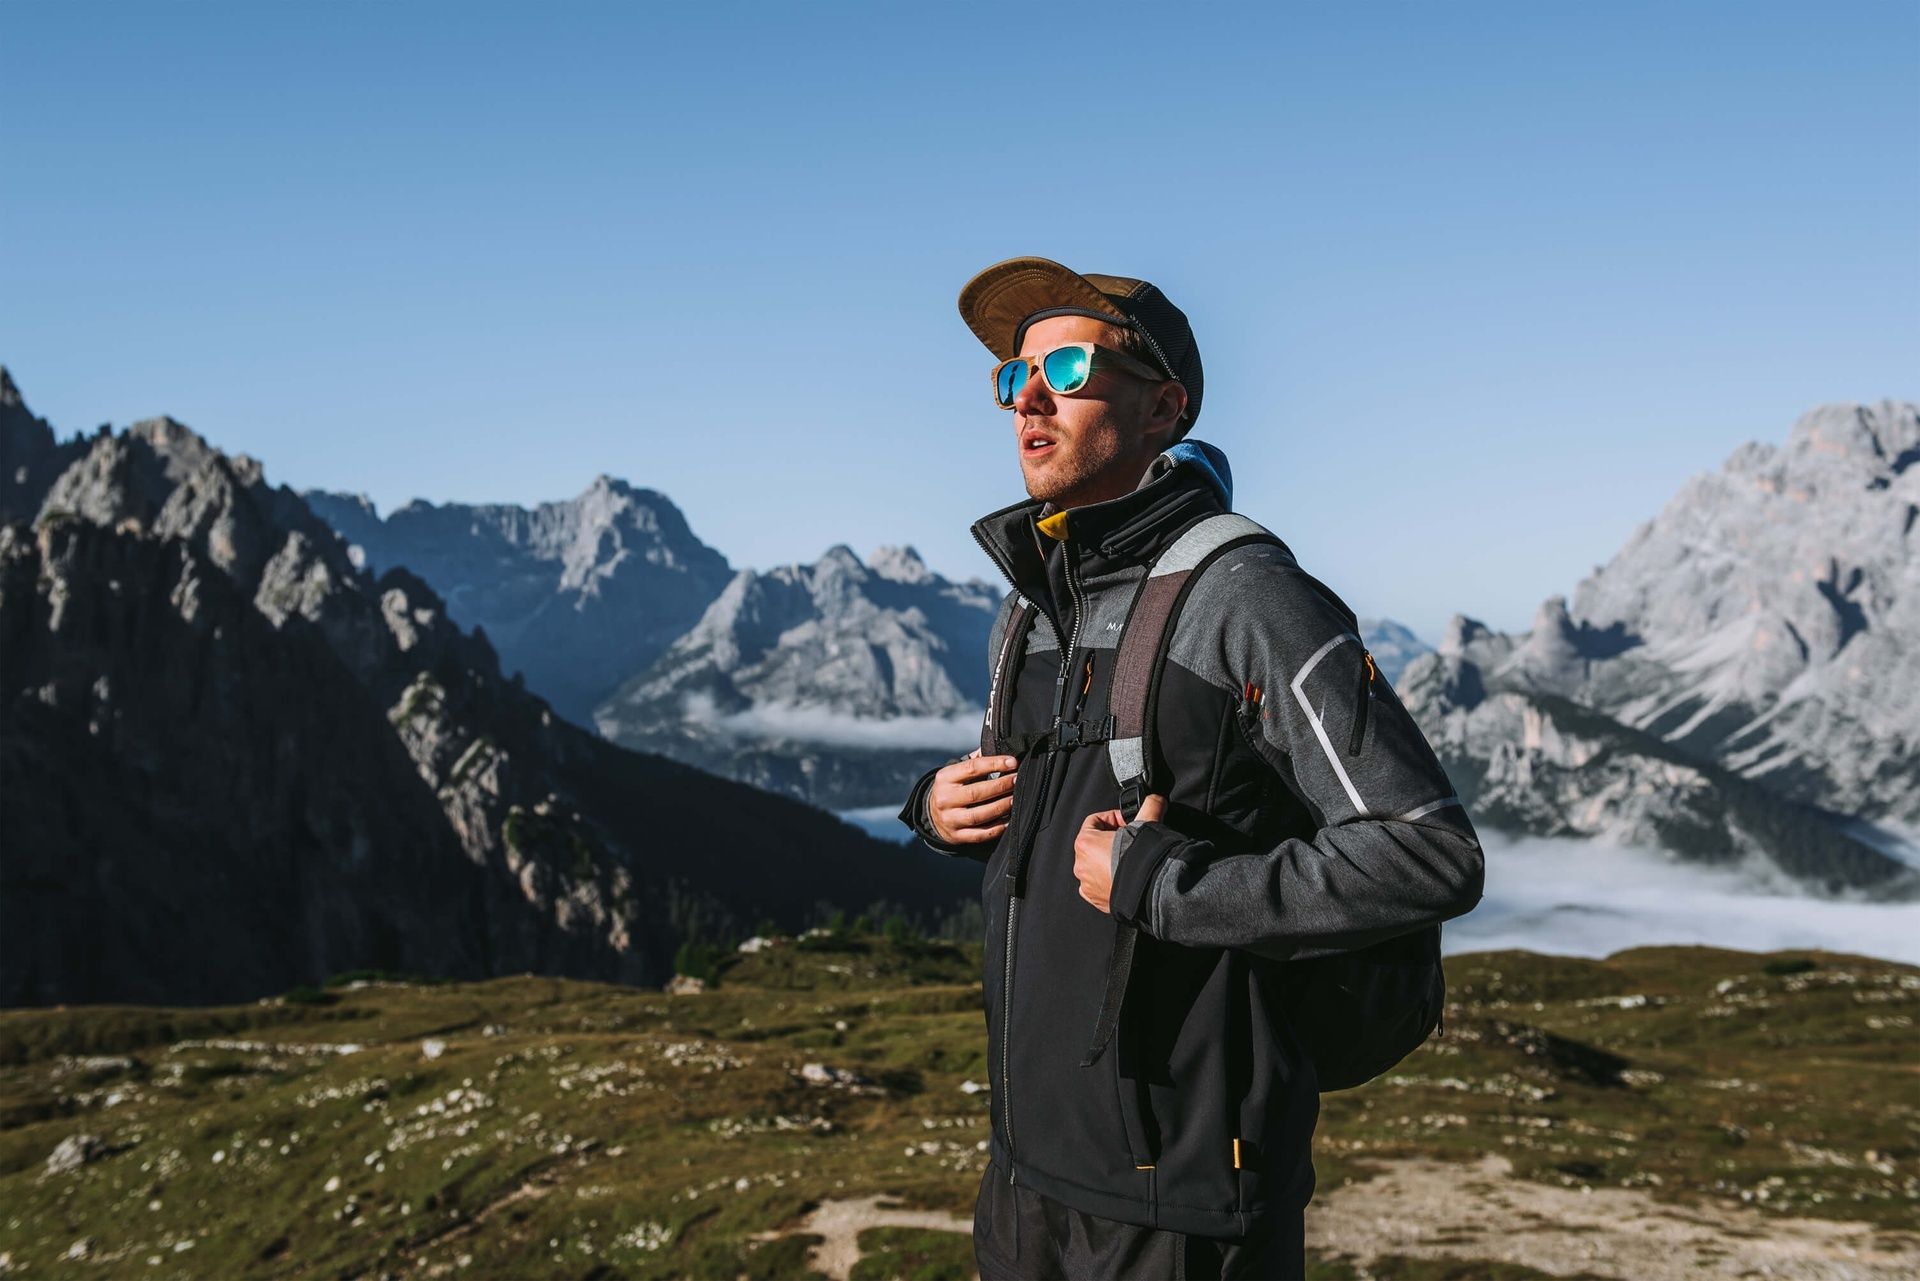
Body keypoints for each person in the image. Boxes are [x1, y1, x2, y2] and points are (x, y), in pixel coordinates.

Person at [897, 256, 1486, 1280]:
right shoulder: (1035, 608)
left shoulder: (1249, 597)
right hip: (1028, 1179)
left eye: (1069, 368)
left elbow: (1429, 855)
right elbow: (1078, 840)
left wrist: (1167, 885)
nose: (1027, 398)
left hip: (1184, 1202)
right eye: (1011, 379)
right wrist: (938, 812)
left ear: (1165, 407)